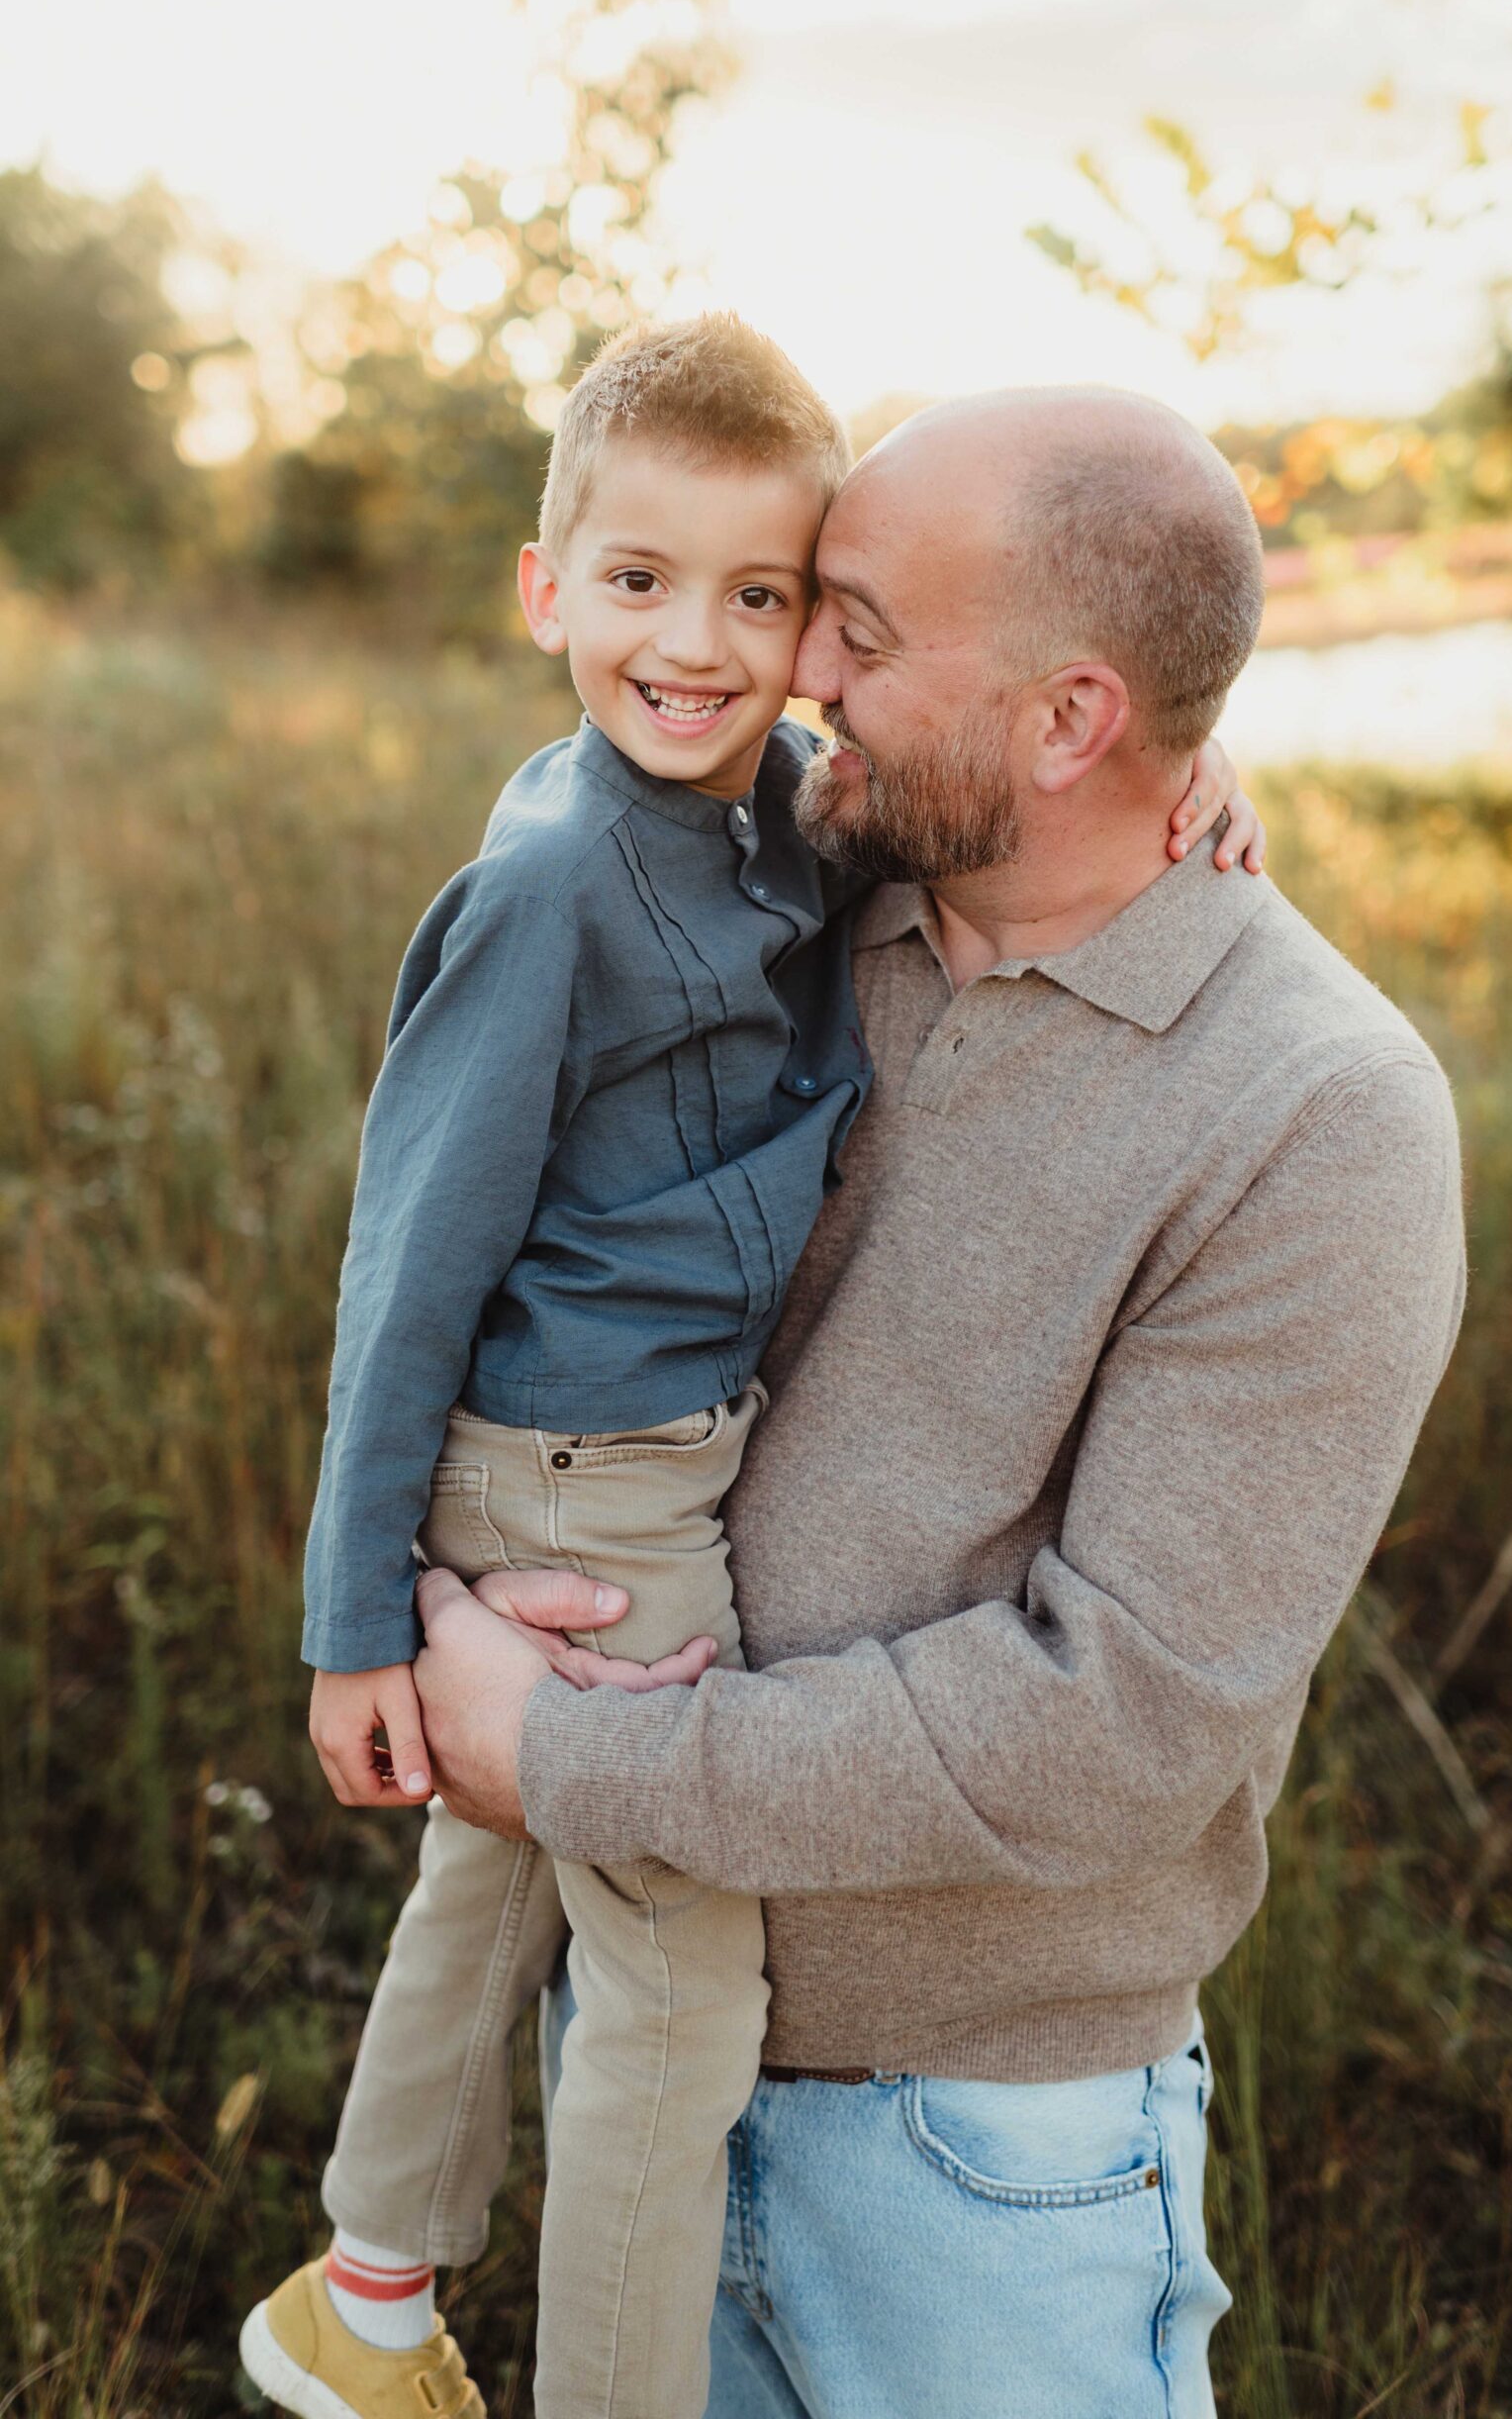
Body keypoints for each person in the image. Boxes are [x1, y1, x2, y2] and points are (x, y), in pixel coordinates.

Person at [412, 386, 1468, 2419]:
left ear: (1071, 723)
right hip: (635, 2022)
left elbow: (1122, 1721)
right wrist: (434, 1606)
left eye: (861, 632)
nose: (801, 672)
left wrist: (562, 1753)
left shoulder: (1319, 1113)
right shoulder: (803, 882)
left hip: (971, 2161)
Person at [238, 326, 1261, 2419]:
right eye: (635, 583)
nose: (719, 652)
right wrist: (365, 1623)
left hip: (611, 1465)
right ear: (542, 591)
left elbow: (1044, 769)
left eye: (779, 601)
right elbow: (400, 1270)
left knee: (496, 1870)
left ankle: (364, 2283)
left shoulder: (782, 825)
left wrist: (1197, 765)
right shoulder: (548, 881)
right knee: (673, 1995)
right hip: (591, 1474)